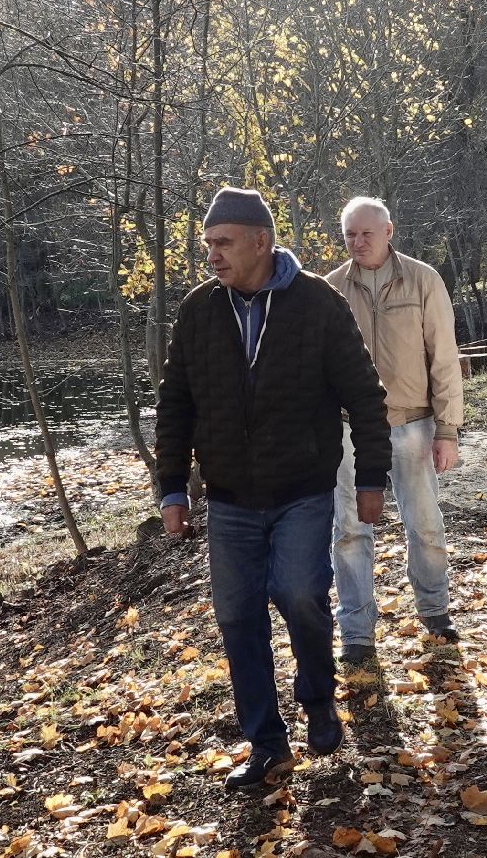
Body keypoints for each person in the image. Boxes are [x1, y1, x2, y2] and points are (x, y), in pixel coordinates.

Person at [155, 186, 391, 791]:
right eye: (208, 244)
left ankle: (318, 698)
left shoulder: (317, 304)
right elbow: (175, 403)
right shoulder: (199, 310)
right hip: (229, 498)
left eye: (223, 243)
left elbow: (365, 396)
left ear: (261, 242)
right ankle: (266, 744)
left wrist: (371, 478)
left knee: (300, 594)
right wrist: (173, 488)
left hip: (301, 490)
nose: (212, 255)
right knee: (237, 618)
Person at [326, 197, 465, 664]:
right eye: (350, 234)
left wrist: (447, 429)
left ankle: (435, 611)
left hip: (413, 422)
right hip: (348, 429)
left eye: (366, 233)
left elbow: (444, 358)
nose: (358, 242)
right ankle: (356, 631)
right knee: (349, 530)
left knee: (424, 524)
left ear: (389, 231)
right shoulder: (331, 288)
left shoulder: (423, 280)